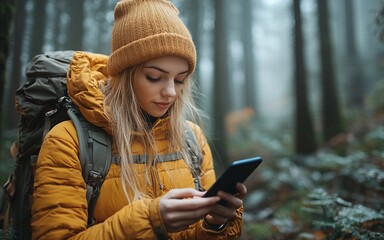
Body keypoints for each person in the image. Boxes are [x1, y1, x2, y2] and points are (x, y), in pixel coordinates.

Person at [31, 0, 246, 239]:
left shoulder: (191, 138)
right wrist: (151, 220)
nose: (171, 92)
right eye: (154, 77)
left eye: (179, 79)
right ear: (125, 74)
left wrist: (215, 224)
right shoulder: (68, 140)